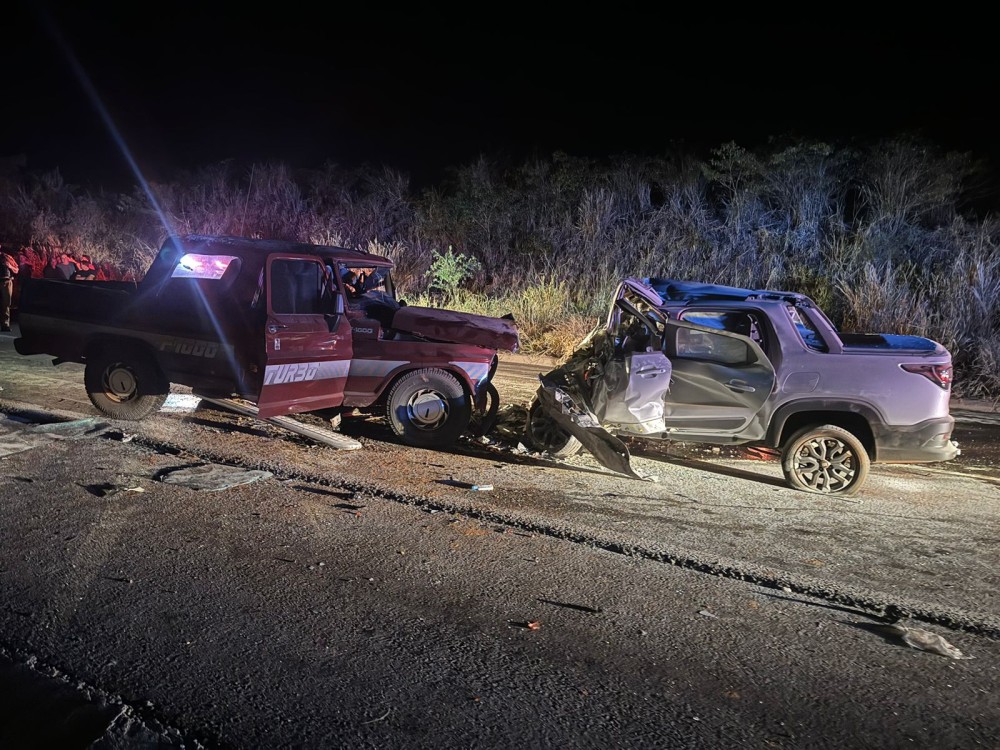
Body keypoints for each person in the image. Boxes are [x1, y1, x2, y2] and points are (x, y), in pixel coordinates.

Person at [1, 242, 19, 331]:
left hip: (6, 281)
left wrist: (10, 267)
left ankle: (5, 324)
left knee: (6, 303)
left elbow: (16, 269)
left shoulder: (7, 257)